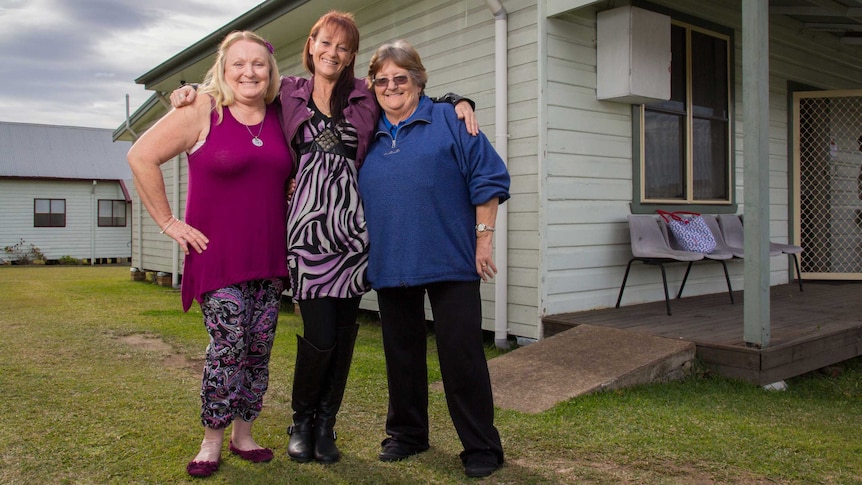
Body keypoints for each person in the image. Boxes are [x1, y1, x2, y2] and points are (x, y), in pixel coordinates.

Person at [170, 11, 478, 465]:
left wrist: (458, 99)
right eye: (325, 43)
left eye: (343, 47)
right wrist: (195, 92)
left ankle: (326, 426)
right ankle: (302, 421)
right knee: (319, 334)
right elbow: (240, 91)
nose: (333, 53)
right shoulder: (287, 92)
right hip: (307, 234)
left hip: (353, 233)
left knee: (344, 332)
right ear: (311, 45)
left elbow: (409, 92)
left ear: (351, 55)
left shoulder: (364, 95)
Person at [127, 31, 293, 478]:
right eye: (237, 63)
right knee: (227, 347)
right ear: (222, 69)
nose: (248, 72)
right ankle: (211, 440)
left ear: (270, 70)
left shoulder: (282, 113)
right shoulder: (203, 108)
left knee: (259, 349)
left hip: (268, 258)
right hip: (217, 257)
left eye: (258, 64)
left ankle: (244, 434)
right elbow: (141, 155)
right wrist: (168, 223)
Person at [357, 39, 509, 478]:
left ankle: (481, 447)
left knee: (461, 356)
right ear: (372, 86)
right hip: (391, 260)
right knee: (401, 356)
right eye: (382, 80)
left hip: (450, 258)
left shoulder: (451, 119)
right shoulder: (367, 132)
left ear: (419, 81)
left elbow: (489, 177)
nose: (391, 86)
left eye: (400, 78)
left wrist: (483, 240)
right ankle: (407, 434)